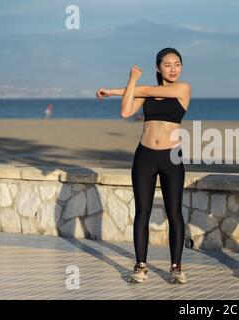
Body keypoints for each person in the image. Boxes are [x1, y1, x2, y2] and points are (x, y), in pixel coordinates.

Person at [95, 48, 191, 284]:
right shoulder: (143, 92)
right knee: (142, 212)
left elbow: (145, 90)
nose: (173, 69)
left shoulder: (183, 88)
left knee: (174, 213)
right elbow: (125, 111)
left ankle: (176, 267)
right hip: (145, 156)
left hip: (172, 157)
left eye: (177, 64)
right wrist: (129, 82)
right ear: (158, 67)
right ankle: (140, 266)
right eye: (167, 64)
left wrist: (117, 89)